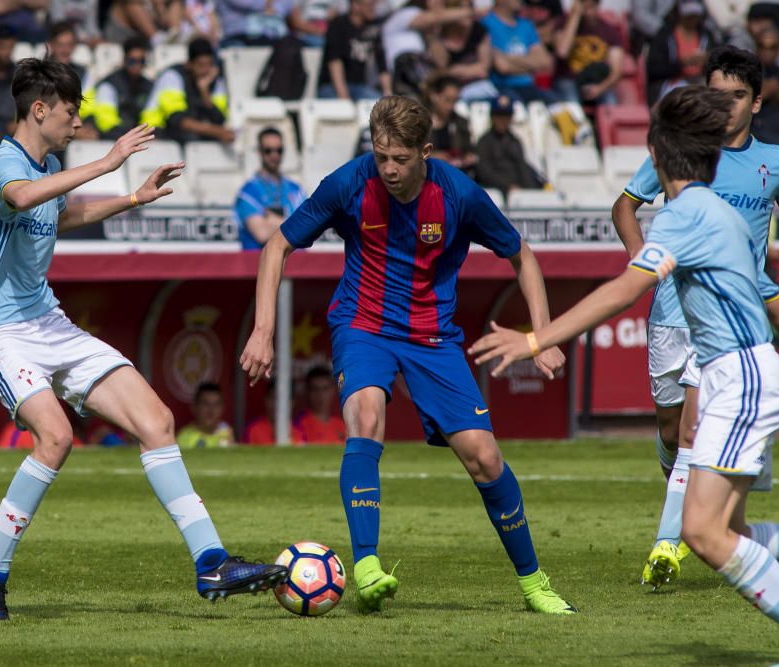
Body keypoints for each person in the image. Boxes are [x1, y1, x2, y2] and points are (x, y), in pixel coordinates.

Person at [472, 84, 779, 667]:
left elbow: (623, 290)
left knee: (704, 534)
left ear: (655, 153)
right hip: (747, 372)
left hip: (740, 377)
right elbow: (776, 308)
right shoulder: (717, 212)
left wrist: (534, 338)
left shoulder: (684, 216)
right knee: (726, 530)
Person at [0, 57, 284, 621]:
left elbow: (58, 213)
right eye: (69, 113)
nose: (76, 124)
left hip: (48, 322)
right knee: (56, 438)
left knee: (157, 421)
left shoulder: (51, 164)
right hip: (0, 330)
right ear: (39, 110)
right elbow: (21, 198)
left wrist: (132, 197)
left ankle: (211, 561)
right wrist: (107, 162)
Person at [240, 95, 575, 615]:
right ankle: (368, 565)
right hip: (362, 325)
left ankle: (535, 585)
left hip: (432, 337)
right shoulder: (350, 183)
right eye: (381, 156)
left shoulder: (459, 194)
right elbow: (276, 246)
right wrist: (263, 331)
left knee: (484, 458)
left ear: (426, 152)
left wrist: (545, 334)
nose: (389, 169)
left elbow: (521, 255)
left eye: (400, 158)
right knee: (365, 415)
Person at [610, 45, 779, 590]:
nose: (726, 107)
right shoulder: (685, 156)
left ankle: (667, 544)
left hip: (733, 316)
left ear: (757, 102)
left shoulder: (777, 161)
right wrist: (640, 260)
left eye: (737, 96)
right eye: (716, 96)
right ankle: (687, 499)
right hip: (672, 308)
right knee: (672, 427)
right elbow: (624, 204)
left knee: (695, 423)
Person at [142, 37, 233, 144]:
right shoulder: (172, 76)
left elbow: (219, 120)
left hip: (188, 138)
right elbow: (177, 120)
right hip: (155, 134)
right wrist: (217, 132)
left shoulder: (214, 81)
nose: (205, 70)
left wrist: (205, 92)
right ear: (189, 64)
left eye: (209, 65)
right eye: (200, 65)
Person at [234, 127, 307, 249]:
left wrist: (273, 221)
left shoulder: (296, 190)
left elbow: (307, 231)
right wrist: (293, 223)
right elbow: (261, 234)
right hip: (258, 264)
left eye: (279, 150)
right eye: (268, 150)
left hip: (297, 263)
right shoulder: (248, 192)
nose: (274, 155)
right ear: (259, 152)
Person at [551, 0, 624, 105]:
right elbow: (562, 51)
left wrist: (600, 88)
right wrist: (575, 15)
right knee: (572, 103)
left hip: (597, 81)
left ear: (598, 5)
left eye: (591, 5)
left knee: (610, 102)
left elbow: (616, 72)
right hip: (568, 79)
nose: (587, 10)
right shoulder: (562, 24)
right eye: (583, 5)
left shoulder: (610, 31)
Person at [481, 0, 554, 104]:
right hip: (501, 88)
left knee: (559, 106)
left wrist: (509, 59)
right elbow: (502, 66)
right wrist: (531, 64)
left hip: (529, 87)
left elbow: (545, 63)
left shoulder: (526, 25)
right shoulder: (486, 24)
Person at [645, 0, 717, 104]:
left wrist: (707, 60)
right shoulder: (665, 35)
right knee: (684, 96)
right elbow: (654, 70)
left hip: (700, 81)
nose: (692, 19)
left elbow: (718, 61)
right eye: (689, 15)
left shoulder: (706, 35)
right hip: (671, 83)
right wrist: (681, 63)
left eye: (695, 15)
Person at [317, 0, 389, 101]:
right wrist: (343, 97)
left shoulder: (373, 27)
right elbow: (335, 62)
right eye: (370, 5)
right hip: (332, 86)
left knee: (382, 106)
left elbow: (382, 65)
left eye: (374, 4)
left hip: (359, 87)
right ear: (356, 6)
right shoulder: (338, 25)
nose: (373, 8)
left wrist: (387, 92)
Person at [474, 95, 544, 195]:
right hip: (495, 194)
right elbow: (484, 172)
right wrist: (507, 186)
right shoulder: (484, 141)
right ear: (492, 116)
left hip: (518, 193)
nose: (502, 120)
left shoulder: (515, 141)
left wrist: (531, 191)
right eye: (499, 115)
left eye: (507, 116)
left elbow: (522, 168)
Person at [92, 35, 155, 140]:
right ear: (124, 60)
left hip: (138, 139)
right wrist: (134, 137)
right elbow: (107, 123)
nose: (137, 66)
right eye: (132, 61)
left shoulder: (149, 86)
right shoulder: (108, 85)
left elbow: (152, 118)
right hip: (114, 139)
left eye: (142, 61)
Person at [45, 21, 98, 139]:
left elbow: (88, 109)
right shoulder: (40, 73)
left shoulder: (83, 74)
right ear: (51, 45)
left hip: (75, 127)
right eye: (60, 45)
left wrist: (87, 127)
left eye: (69, 45)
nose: (65, 50)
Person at [424, 73, 476, 177]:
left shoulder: (461, 122)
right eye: (447, 100)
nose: (450, 106)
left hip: (455, 175)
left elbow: (467, 150)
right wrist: (432, 156)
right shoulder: (420, 123)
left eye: (455, 101)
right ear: (434, 96)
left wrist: (467, 158)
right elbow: (412, 154)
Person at [295, 366, 346, 444]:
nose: (320, 395)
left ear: (333, 391)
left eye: (325, 389)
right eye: (315, 389)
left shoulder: (341, 425)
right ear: (307, 392)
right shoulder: (299, 424)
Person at [177, 382, 234, 448]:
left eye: (216, 404)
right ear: (194, 407)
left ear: (222, 408)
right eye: (205, 404)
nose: (211, 410)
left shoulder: (227, 433)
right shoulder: (184, 437)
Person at [216, 0, 294, 47]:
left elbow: (283, 7)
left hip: (271, 36)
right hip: (238, 36)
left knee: (293, 45)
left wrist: (269, 5)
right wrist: (268, 3)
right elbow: (248, 3)